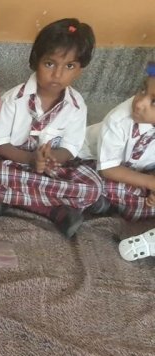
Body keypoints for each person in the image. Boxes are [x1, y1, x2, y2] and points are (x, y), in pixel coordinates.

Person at [0, 18, 102, 239]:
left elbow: (71, 147)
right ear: (35, 61)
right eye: (50, 64)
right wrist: (31, 159)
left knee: (94, 186)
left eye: (69, 66)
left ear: (80, 70)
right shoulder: (14, 99)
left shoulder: (77, 105)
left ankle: (12, 199)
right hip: (15, 163)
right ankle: (54, 209)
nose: (58, 74)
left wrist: (51, 159)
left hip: (54, 169)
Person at [83, 62, 155, 261]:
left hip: (136, 174)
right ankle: (98, 202)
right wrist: (151, 183)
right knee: (91, 187)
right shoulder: (119, 119)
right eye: (142, 90)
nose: (139, 103)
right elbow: (108, 169)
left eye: (154, 102)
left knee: (144, 200)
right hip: (93, 164)